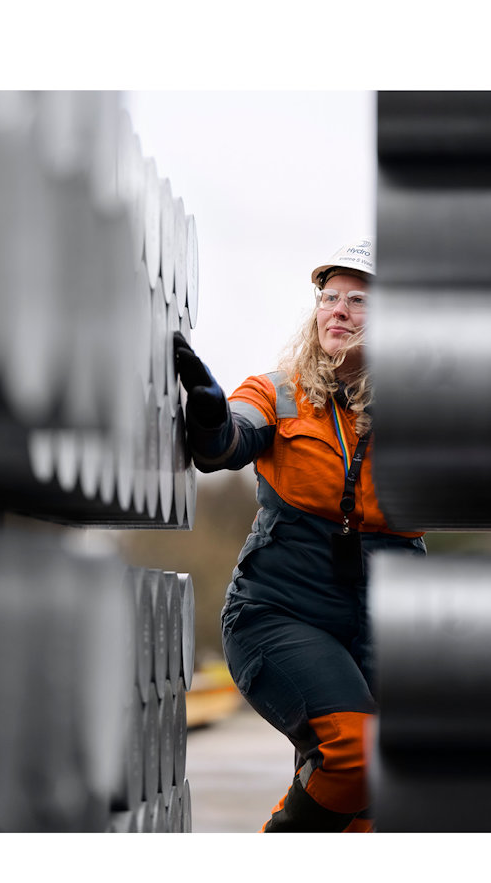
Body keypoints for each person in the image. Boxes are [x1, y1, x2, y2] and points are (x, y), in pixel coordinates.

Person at [174, 239, 426, 832]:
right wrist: (210, 416)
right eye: (329, 297)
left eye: (358, 300)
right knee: (352, 755)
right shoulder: (278, 391)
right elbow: (228, 443)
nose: (337, 310)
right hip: (281, 615)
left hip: (386, 622)